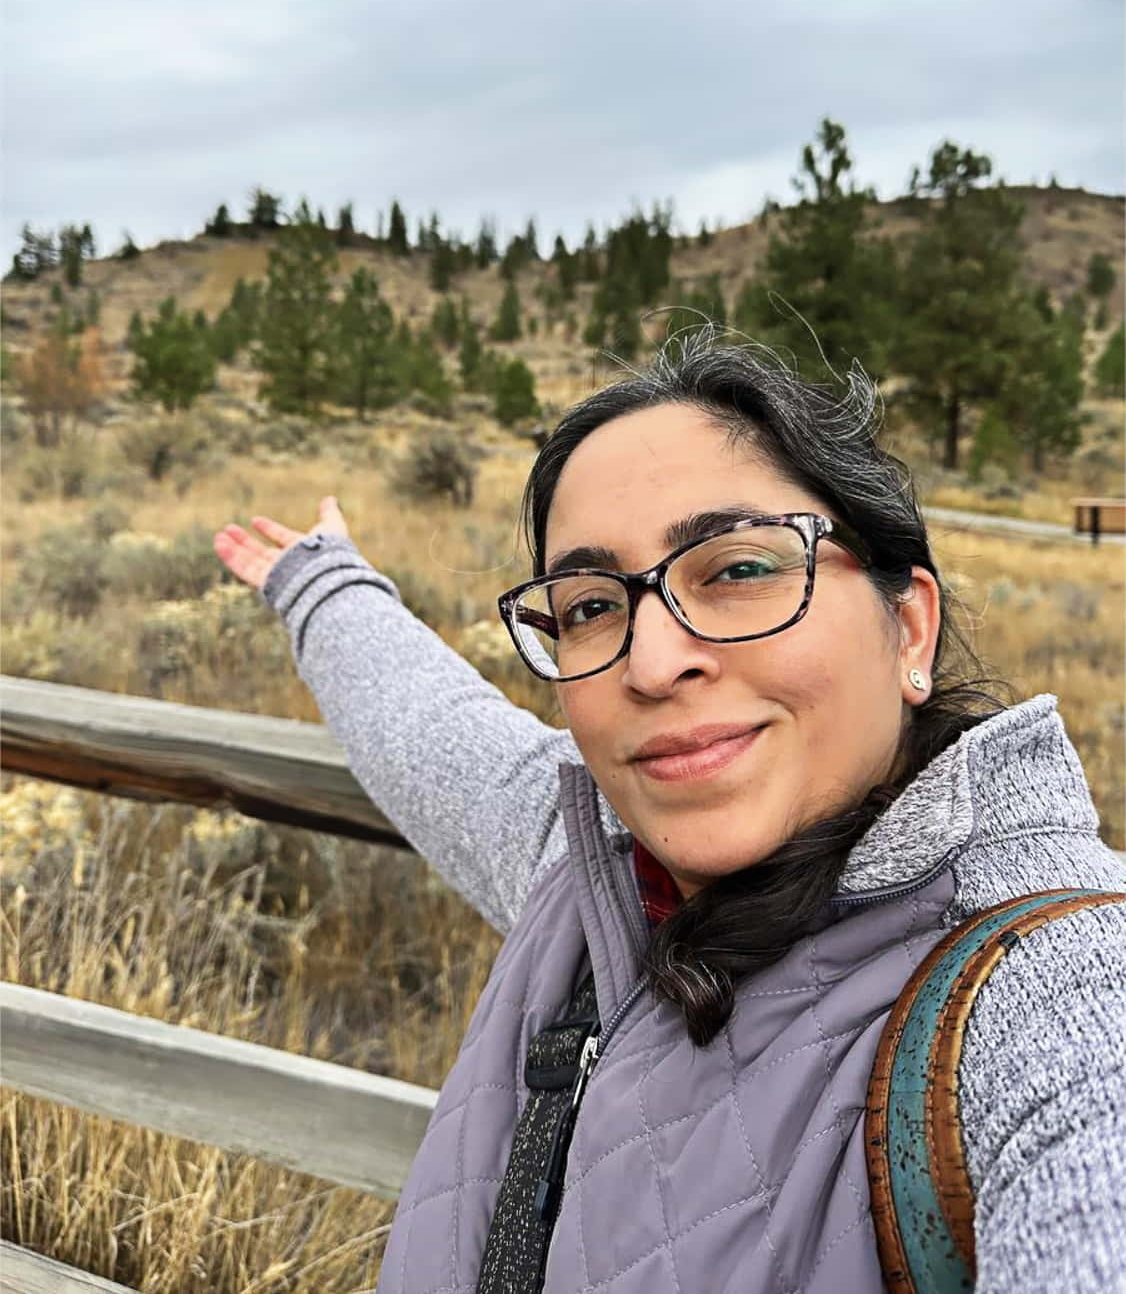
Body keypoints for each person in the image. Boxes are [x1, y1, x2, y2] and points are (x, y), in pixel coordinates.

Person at [214, 332, 1126, 1293]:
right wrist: (321, 584)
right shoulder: (594, 882)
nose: (652, 664)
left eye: (738, 571)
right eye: (589, 607)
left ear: (908, 628)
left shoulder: (1060, 995)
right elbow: (430, 732)